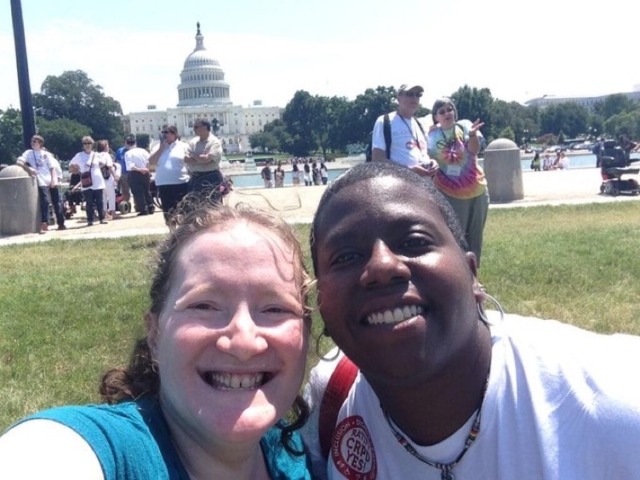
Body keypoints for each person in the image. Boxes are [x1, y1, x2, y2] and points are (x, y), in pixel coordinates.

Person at [301, 161, 640, 479]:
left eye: (414, 241)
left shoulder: (615, 399)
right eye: (346, 256)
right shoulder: (327, 404)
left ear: (472, 274)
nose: (382, 266)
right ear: (322, 307)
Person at [0, 202, 314, 479]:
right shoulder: (108, 452)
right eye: (204, 305)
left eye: (275, 309)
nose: (244, 342)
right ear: (154, 333)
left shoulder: (291, 453)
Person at [427, 97, 489, 265]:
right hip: (449, 192)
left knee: (476, 235)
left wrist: (473, 135)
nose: (447, 113)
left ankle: (474, 278)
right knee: (456, 236)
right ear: (435, 117)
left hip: (477, 188)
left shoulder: (466, 126)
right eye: (442, 111)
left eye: (450, 109)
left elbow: (474, 150)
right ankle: (459, 275)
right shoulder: (431, 135)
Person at [371, 83, 436, 179]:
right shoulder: (385, 121)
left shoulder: (420, 124)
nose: (414, 98)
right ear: (398, 98)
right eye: (410, 94)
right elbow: (377, 160)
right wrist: (409, 170)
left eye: (418, 95)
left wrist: (432, 162)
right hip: (399, 187)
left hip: (424, 187)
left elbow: (424, 153)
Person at [16, 135, 59, 234]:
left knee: (57, 200)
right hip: (40, 179)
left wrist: (53, 180)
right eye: (32, 141)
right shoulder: (28, 153)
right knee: (45, 200)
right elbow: (19, 162)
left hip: (49, 177)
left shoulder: (46, 154)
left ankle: (60, 222)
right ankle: (45, 222)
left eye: (35, 141)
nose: (33, 143)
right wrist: (29, 169)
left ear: (40, 143)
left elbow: (52, 168)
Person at [148, 125, 190, 224]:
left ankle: (184, 233)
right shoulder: (157, 147)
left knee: (183, 211)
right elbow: (151, 162)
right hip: (163, 183)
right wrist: (161, 149)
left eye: (166, 132)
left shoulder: (183, 146)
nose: (163, 135)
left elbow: (190, 163)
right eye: (162, 132)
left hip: (181, 183)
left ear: (174, 134)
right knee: (168, 211)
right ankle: (172, 233)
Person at [69, 136, 108, 226]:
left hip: (97, 181)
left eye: (89, 143)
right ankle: (89, 219)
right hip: (86, 181)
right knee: (89, 202)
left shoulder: (96, 155)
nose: (87, 145)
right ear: (83, 145)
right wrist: (78, 171)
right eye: (85, 144)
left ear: (92, 144)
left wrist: (97, 168)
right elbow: (71, 165)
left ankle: (102, 218)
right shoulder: (79, 155)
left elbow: (103, 163)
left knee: (99, 201)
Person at [184, 118, 224, 199]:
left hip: (210, 178)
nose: (193, 129)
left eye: (196, 127)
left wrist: (193, 155)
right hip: (194, 178)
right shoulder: (193, 142)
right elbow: (185, 158)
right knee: (193, 207)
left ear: (205, 128)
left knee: (212, 207)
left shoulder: (215, 142)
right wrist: (201, 157)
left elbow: (207, 159)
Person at [124, 135, 154, 216]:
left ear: (126, 143)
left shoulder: (128, 153)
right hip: (146, 171)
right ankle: (150, 206)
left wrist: (140, 170)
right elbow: (150, 161)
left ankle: (143, 209)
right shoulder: (143, 151)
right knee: (147, 190)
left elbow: (131, 166)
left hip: (135, 173)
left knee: (138, 192)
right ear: (135, 142)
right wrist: (146, 169)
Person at [96, 140, 116, 219]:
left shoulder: (95, 155)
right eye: (107, 145)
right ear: (104, 147)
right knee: (111, 195)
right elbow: (110, 167)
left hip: (98, 179)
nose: (108, 147)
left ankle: (104, 213)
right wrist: (115, 177)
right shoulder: (106, 155)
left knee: (103, 197)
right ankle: (113, 213)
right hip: (107, 177)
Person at [114, 137, 132, 203]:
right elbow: (117, 161)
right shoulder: (120, 151)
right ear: (125, 142)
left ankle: (138, 205)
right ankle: (127, 204)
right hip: (123, 173)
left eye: (130, 142)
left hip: (132, 172)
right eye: (127, 142)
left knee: (135, 189)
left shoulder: (133, 150)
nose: (128, 144)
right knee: (125, 190)